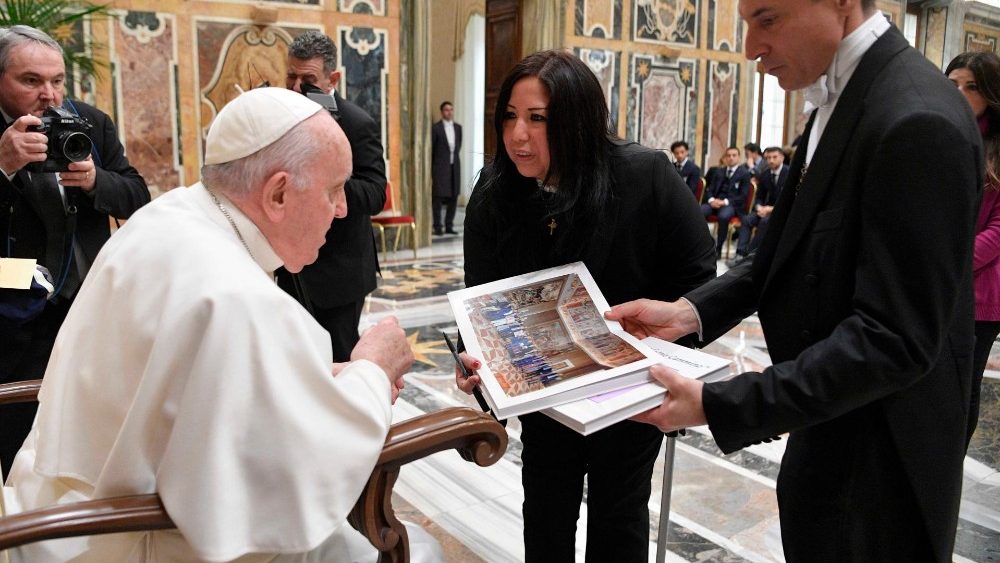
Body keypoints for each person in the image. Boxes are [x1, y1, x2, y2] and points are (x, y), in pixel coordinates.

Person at [606, 2, 981, 561]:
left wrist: (722, 403)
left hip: (880, 467)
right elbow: (775, 256)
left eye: (768, 19)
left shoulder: (917, 119)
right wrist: (687, 313)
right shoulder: (845, 97)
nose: (752, 46)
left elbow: (894, 340)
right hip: (825, 425)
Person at [2, 87, 424, 561]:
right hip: (132, 538)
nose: (344, 209)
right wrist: (372, 369)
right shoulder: (234, 295)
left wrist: (312, 377)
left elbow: (190, 383)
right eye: (333, 189)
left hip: (54, 512)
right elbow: (298, 479)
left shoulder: (167, 216)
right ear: (279, 192)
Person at [456, 50, 716, 561]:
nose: (517, 136)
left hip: (627, 399)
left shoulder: (643, 176)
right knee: (545, 516)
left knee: (618, 522)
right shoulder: (496, 191)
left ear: (576, 122)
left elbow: (699, 277)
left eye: (537, 119)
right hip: (546, 399)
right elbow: (480, 297)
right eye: (509, 116)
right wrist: (473, 359)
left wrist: (664, 344)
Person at [0, 25, 149, 477]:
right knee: (18, 438)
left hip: (86, 307)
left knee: (87, 437)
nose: (49, 94)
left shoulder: (88, 122)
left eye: (58, 80)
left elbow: (137, 194)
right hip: (13, 316)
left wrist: (95, 181)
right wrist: (3, 165)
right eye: (31, 81)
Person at [277, 30, 386, 362]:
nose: (297, 88)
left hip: (340, 274)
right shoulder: (279, 117)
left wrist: (326, 183)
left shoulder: (357, 123)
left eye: (308, 79)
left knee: (336, 364)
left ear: (332, 78)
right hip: (289, 270)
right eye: (291, 77)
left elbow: (375, 193)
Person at [947, 50, 1000, 446]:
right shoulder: (943, 131)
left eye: (971, 87)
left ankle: (948, 467)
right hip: (943, 280)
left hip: (980, 289)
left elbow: (998, 233)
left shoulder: (996, 148)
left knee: (963, 384)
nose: (959, 94)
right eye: (952, 85)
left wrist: (949, 264)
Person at [730, 145, 787, 265]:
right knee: (747, 220)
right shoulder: (765, 174)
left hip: (782, 211)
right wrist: (759, 207)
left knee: (764, 222)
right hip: (765, 210)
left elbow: (789, 199)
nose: (771, 160)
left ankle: (751, 257)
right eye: (768, 158)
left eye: (774, 157)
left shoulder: (789, 173)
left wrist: (771, 209)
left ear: (782, 158)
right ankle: (740, 254)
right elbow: (759, 197)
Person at [702, 146, 751, 257]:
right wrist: (711, 199)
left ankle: (718, 248)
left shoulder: (744, 174)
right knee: (699, 211)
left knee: (724, 216)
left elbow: (743, 196)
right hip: (715, 202)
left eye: (734, 155)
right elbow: (709, 189)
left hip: (731, 204)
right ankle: (702, 245)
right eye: (728, 155)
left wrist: (724, 202)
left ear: (739, 157)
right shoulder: (719, 171)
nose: (731, 158)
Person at [432, 100, 462, 235]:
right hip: (440, 167)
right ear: (442, 112)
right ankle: (438, 226)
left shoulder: (458, 128)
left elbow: (458, 147)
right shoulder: (436, 128)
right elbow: (432, 149)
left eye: (451, 109)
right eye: (446, 110)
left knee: (454, 196)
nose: (449, 112)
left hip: (454, 166)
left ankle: (449, 225)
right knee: (438, 197)